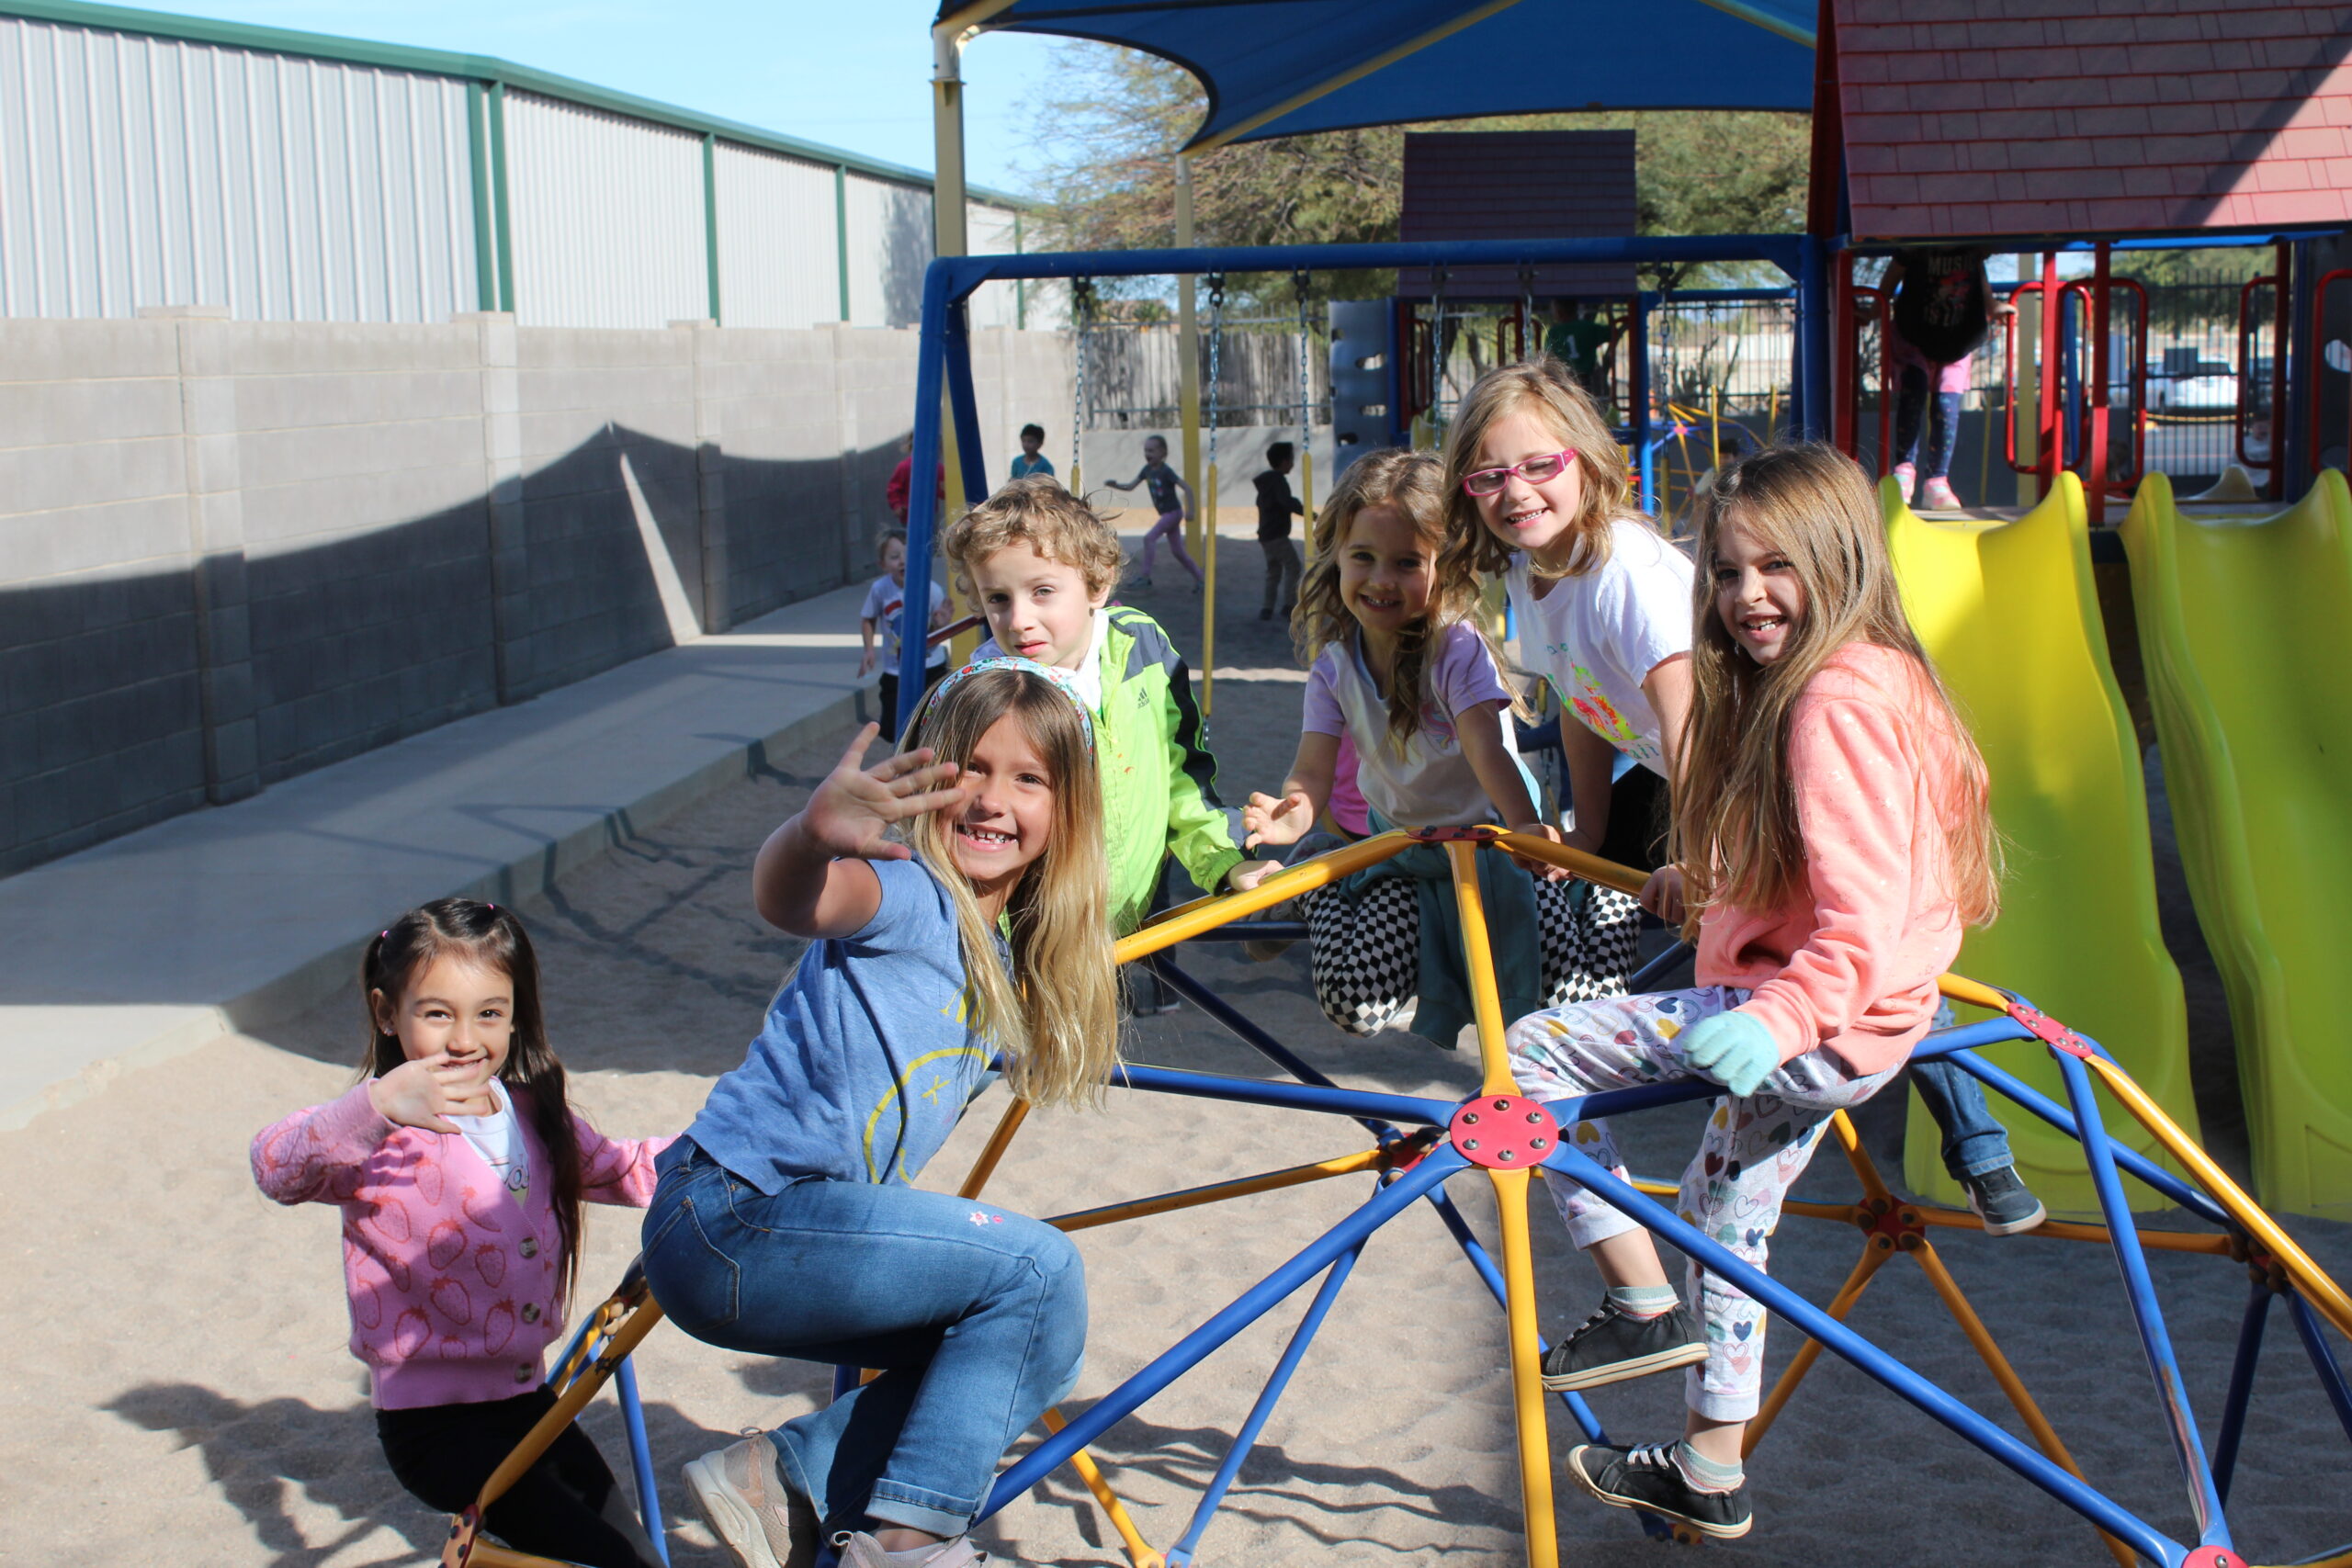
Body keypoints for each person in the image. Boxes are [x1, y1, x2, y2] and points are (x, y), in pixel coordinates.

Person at [1505, 444, 2005, 1541]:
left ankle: (1638, 1305)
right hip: (1867, 1030)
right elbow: (1873, 869)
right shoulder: (1883, 677)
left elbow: (1861, 918)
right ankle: (1709, 1462)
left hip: (1803, 1022)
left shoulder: (1830, 703)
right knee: (1728, 1217)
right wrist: (1717, 877)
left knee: (1530, 1053)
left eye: (1775, 568)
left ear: (1839, 560)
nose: (1746, 598)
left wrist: (1774, 1015)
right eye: (1726, 574)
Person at [651, 662, 1117, 1568]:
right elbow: (794, 899)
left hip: (783, 1236)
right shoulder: (907, 897)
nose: (992, 800)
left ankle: (786, 1475)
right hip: (738, 1213)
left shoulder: (1004, 959)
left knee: (1028, 1343)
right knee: (1039, 1267)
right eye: (970, 770)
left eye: (1028, 780)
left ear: (1065, 812)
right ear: (927, 780)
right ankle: (910, 1544)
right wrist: (807, 837)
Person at [251, 899, 670, 1568]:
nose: (465, 1038)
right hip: (434, 1426)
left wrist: (733, 1155)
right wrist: (378, 1104)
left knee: (634, 1551)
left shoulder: (532, 1112)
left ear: (516, 1012)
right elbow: (275, 1165)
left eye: (489, 1013)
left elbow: (625, 1167)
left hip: (525, 1400)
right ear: (389, 1012)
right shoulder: (371, 1136)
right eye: (437, 1012)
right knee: (603, 1559)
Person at [1241, 449, 1640, 1046]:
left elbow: (1485, 747)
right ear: (1337, 559)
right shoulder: (1333, 668)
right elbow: (1312, 771)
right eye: (1363, 558)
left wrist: (1527, 824)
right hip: (1404, 851)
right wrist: (1292, 810)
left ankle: (1601, 893)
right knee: (1357, 1006)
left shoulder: (1457, 647)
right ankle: (1317, 883)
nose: (1380, 579)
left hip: (1500, 841)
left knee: (1575, 1004)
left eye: (1407, 562)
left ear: (1446, 568)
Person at [942, 475, 1277, 939]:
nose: (1018, 620)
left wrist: (1226, 863)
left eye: (1042, 591)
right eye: (997, 598)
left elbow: (1180, 774)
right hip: (1026, 937)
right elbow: (967, 826)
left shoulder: (1141, 646)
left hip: (1120, 923)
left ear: (1096, 585)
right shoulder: (990, 693)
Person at [1441, 358, 1695, 881]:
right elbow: (1583, 704)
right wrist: (1587, 834)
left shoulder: (1621, 571)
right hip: (1681, 777)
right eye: (1490, 476)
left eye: (1539, 466)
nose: (1515, 492)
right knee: (1586, 883)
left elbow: (1693, 727)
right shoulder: (1525, 568)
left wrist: (1706, 858)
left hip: (1755, 780)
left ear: (1589, 462)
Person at [1880, 246, 2013, 511]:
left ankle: (1937, 481)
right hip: (1915, 334)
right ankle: (1904, 472)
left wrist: (1992, 305)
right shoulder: (1915, 244)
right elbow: (1894, 271)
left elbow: (1978, 273)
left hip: (1958, 339)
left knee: (1946, 403)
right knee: (1913, 391)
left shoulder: (1972, 244)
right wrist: (1876, 307)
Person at [860, 529, 953, 741]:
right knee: (893, 726)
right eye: (894, 557)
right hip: (896, 669)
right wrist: (869, 650)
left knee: (934, 721)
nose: (903, 561)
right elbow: (868, 617)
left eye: (908, 555)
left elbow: (937, 631)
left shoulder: (931, 590)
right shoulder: (880, 589)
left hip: (931, 666)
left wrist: (940, 625)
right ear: (883, 564)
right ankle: (903, 757)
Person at [1103, 434, 1202, 590]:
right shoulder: (1147, 470)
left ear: (1162, 453)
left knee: (1149, 538)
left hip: (1174, 513)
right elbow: (1130, 487)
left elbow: (1187, 488)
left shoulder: (1166, 471)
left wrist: (1192, 511)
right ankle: (1200, 579)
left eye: (1151, 450)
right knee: (1178, 552)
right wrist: (1115, 485)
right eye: (1145, 451)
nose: (1147, 454)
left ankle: (1145, 577)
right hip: (1167, 515)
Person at [1255, 440, 1306, 621]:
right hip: (1276, 535)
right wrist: (1308, 512)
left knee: (1273, 571)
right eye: (1291, 459)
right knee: (1293, 566)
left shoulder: (1267, 483)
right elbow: (1286, 502)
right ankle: (1288, 605)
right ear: (1283, 461)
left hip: (1266, 535)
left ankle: (1267, 608)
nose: (1292, 463)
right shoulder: (1278, 481)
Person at [1544, 299, 1618, 411]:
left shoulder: (1554, 332)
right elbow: (1612, 333)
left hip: (1564, 378)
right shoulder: (1589, 327)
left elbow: (1549, 357)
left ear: (1559, 312)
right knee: (1590, 407)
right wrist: (1609, 312)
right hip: (1587, 378)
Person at [886, 434, 944, 527]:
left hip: (928, 515)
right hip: (909, 515)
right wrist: (897, 505)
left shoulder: (936, 467)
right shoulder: (905, 467)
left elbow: (943, 489)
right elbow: (893, 490)